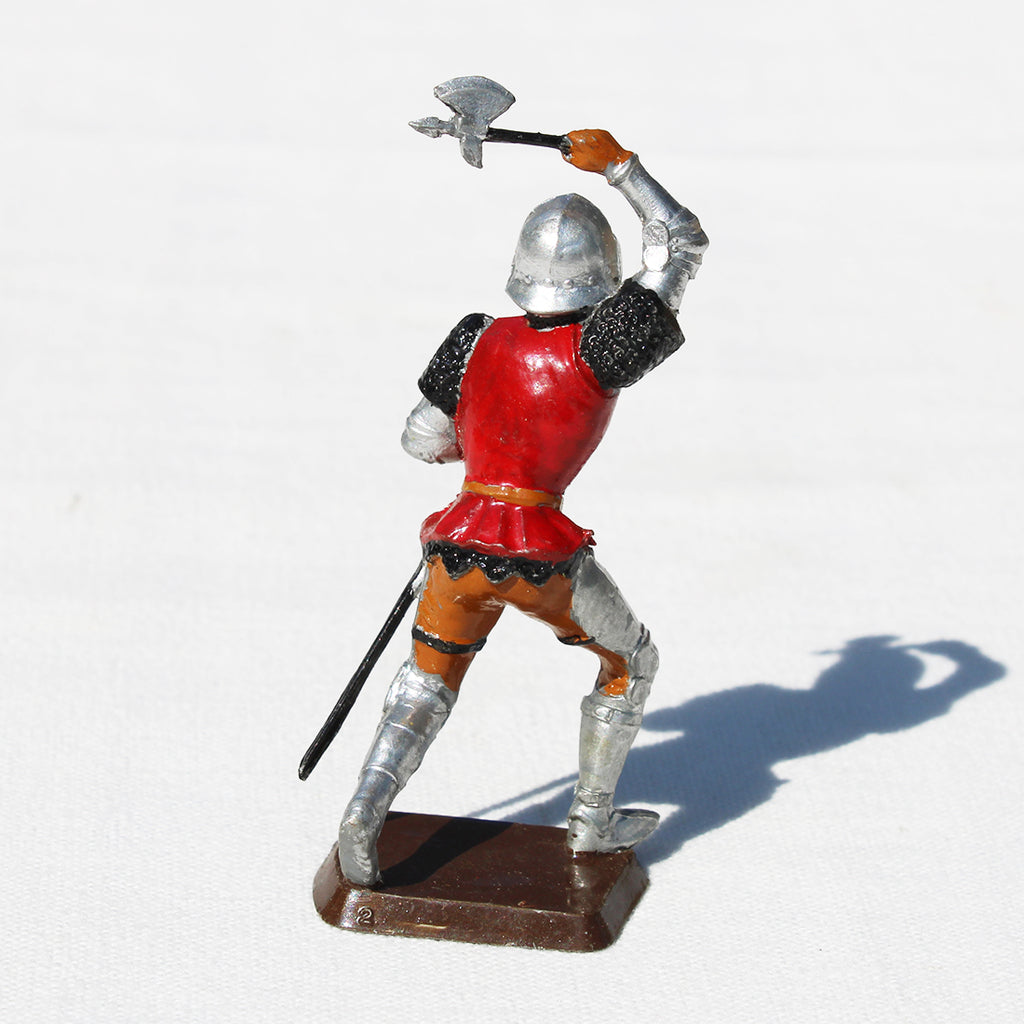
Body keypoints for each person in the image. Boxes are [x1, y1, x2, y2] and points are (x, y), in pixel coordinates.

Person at [338, 130, 709, 887]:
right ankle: (591, 823)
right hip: (540, 551)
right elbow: (680, 243)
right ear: (599, 270)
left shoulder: (475, 338)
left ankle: (365, 809)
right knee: (630, 662)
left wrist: (484, 453)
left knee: (425, 683)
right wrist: (621, 168)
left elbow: (421, 439)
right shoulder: (605, 344)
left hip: (456, 545)